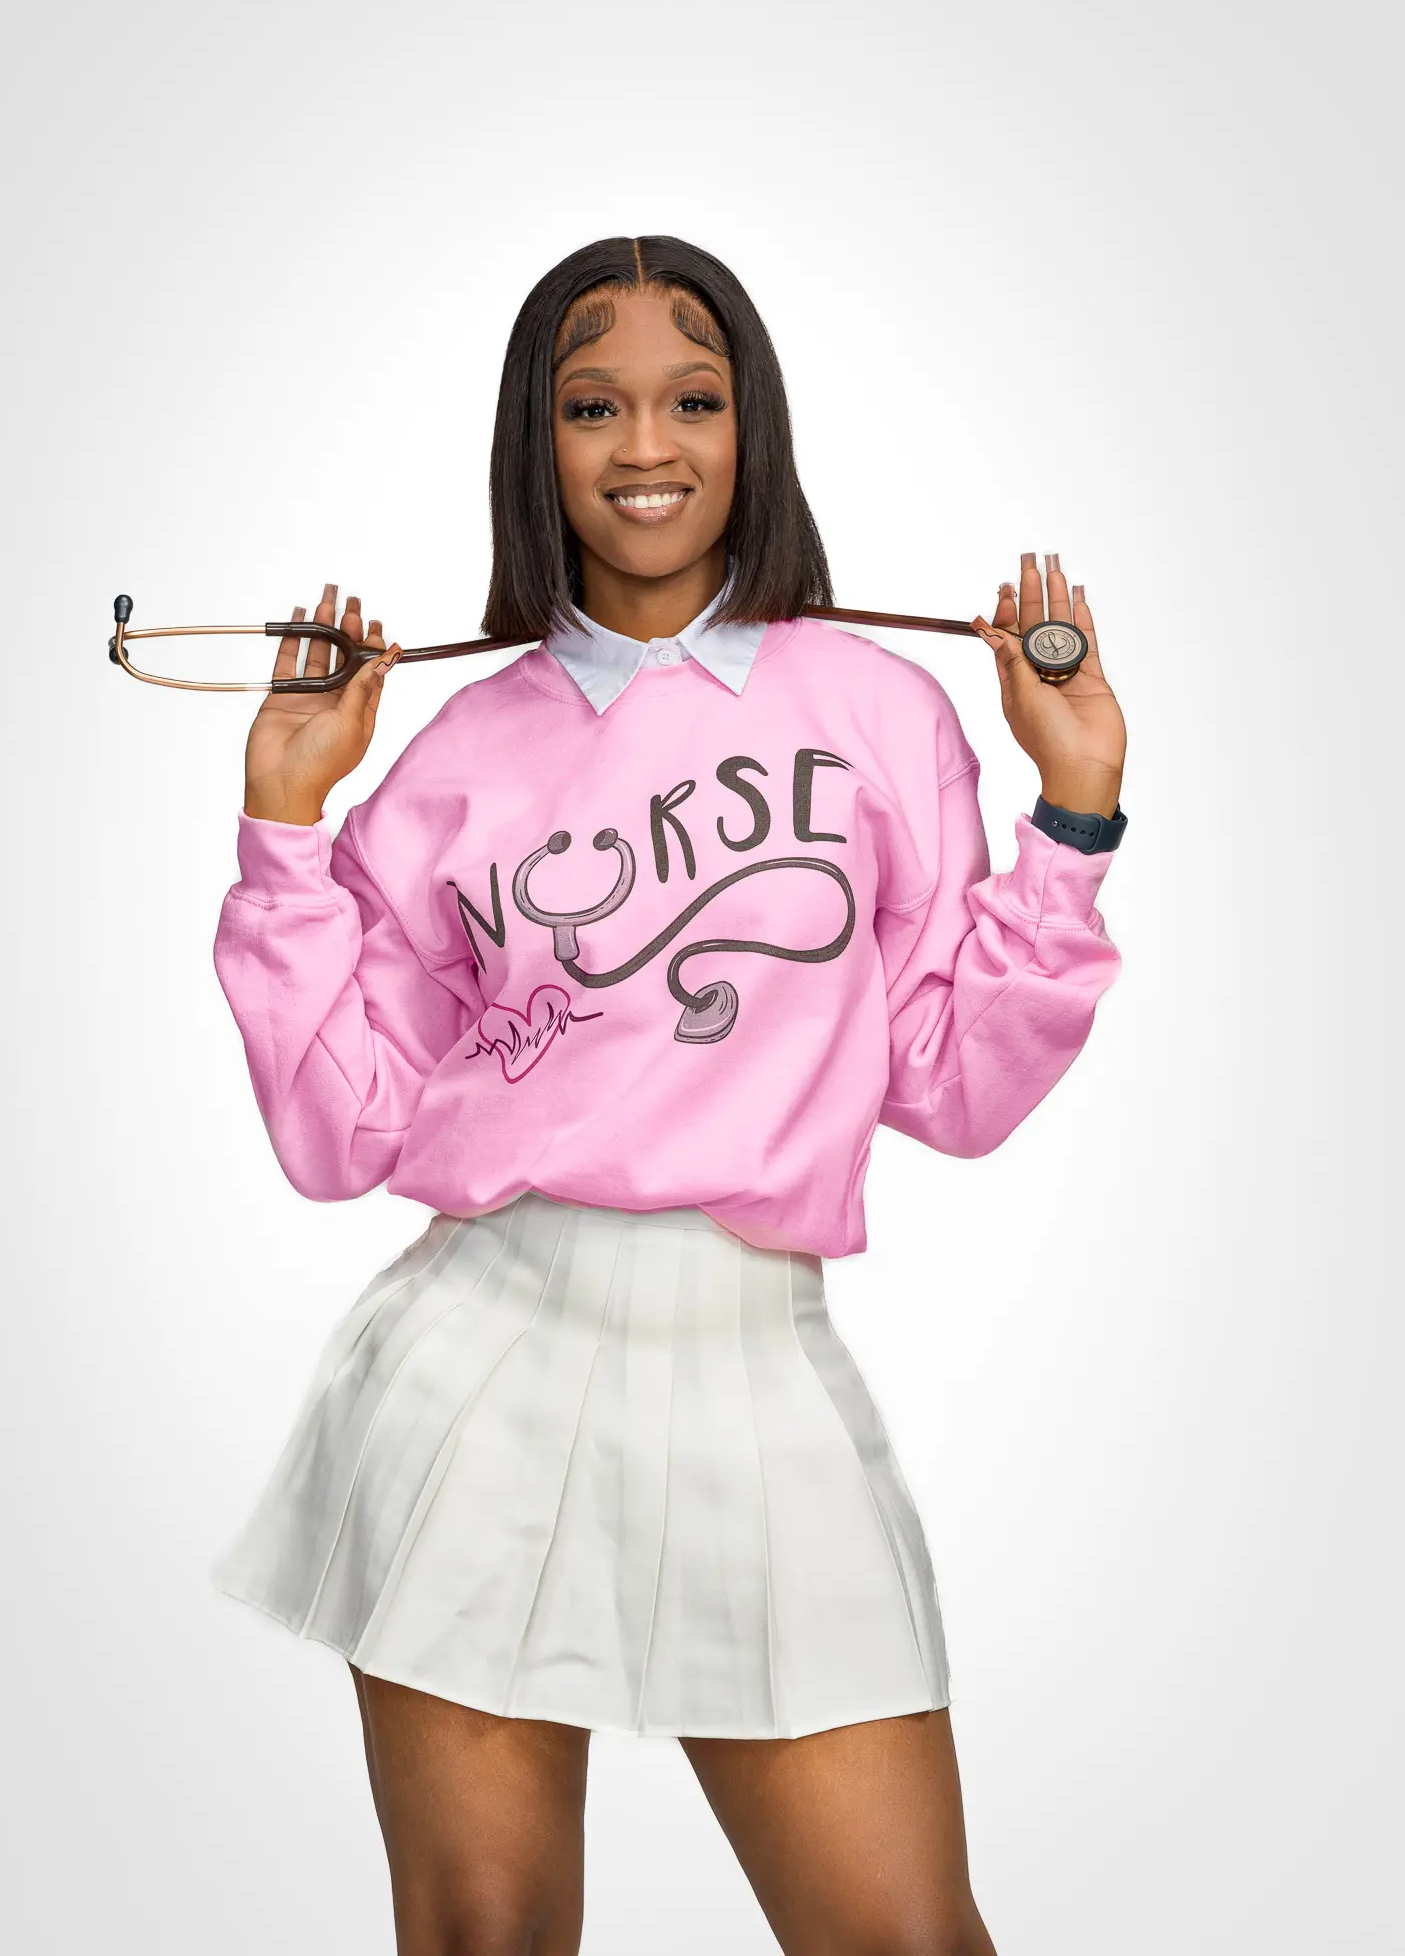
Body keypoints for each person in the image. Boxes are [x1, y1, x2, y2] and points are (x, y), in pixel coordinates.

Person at [209, 235, 1127, 1955]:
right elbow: (346, 1136)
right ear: (534, 442)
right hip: (483, 1369)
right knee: (486, 1934)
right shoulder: (456, 755)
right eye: (592, 403)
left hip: (753, 1369)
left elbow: (946, 1081)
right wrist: (285, 833)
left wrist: (1070, 817)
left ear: (750, 426)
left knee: (905, 1938)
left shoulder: (880, 713)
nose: (647, 444)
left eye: (693, 397)